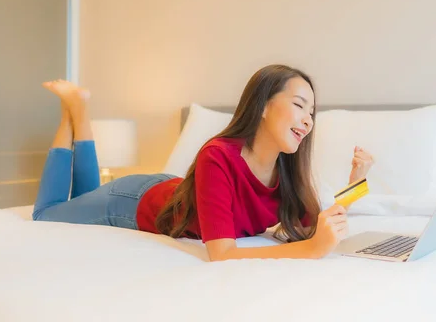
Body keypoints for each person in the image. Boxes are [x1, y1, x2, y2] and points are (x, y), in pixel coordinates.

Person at [32, 65, 374, 261]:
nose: (308, 120)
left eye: (312, 113)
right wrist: (311, 250)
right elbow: (222, 254)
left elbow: (319, 222)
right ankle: (74, 112)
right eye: (300, 105)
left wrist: (356, 181)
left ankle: (77, 110)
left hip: (174, 189)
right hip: (133, 202)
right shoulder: (219, 155)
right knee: (46, 214)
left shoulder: (286, 171)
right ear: (264, 105)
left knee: (84, 196)